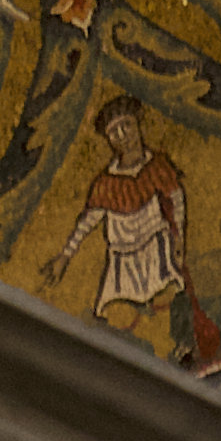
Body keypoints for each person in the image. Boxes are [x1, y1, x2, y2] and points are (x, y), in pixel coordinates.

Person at [62, 94, 187, 329]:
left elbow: (177, 199)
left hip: (155, 247)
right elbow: (88, 222)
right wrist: (65, 256)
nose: (122, 136)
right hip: (122, 259)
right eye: (113, 132)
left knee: (166, 300)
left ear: (138, 124)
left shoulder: (156, 165)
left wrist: (179, 236)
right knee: (118, 314)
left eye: (126, 126)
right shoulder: (106, 183)